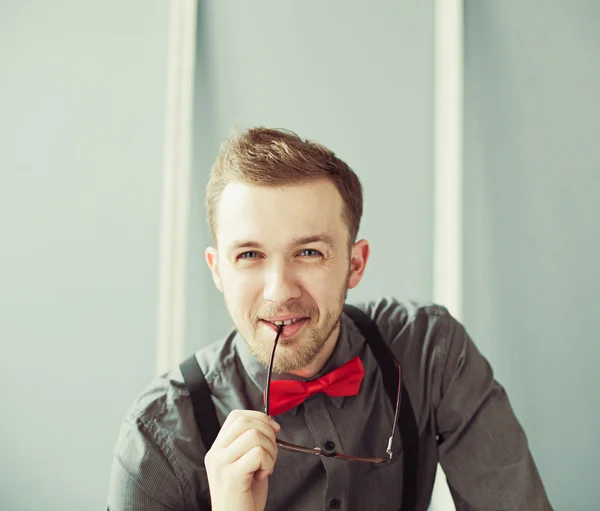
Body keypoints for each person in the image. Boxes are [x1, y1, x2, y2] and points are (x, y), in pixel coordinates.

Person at [107, 127, 552, 511]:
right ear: (218, 270)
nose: (279, 290)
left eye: (309, 252)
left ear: (355, 265)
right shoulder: (158, 434)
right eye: (249, 255)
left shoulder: (429, 353)